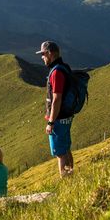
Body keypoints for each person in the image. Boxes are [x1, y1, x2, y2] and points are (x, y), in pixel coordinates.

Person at [38, 41, 75, 177]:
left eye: (43, 54)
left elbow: (56, 99)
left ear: (50, 53)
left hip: (58, 118)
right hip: (66, 115)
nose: (42, 57)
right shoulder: (64, 67)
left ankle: (65, 180)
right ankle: (71, 175)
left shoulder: (56, 72)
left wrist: (51, 122)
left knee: (60, 152)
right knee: (65, 148)